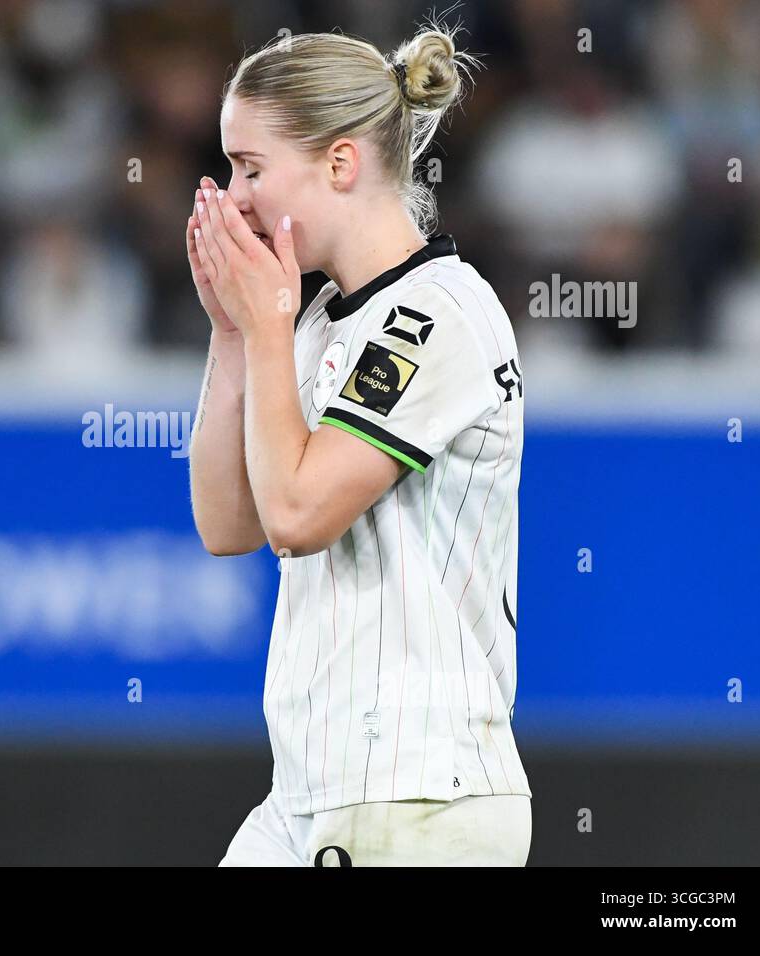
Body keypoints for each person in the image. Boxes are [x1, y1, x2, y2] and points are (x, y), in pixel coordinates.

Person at [186, 26, 531, 866]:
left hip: (416, 796)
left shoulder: (433, 313)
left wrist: (265, 331)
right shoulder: (309, 321)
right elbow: (229, 524)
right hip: (310, 792)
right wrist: (234, 338)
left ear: (340, 165)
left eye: (252, 168)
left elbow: (300, 515)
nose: (232, 198)